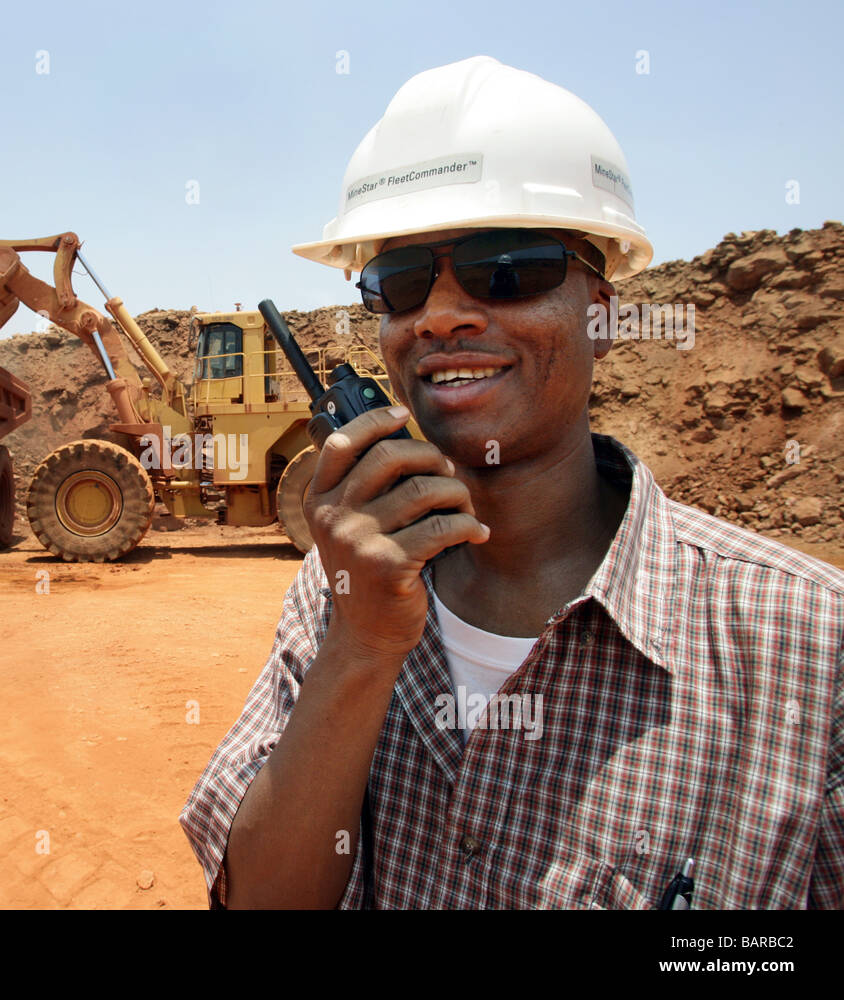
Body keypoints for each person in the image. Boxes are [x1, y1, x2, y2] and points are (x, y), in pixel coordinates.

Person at [178, 55, 844, 909]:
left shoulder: (810, 653)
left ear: (601, 314)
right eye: (402, 282)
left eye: (509, 268)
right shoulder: (336, 595)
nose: (440, 314)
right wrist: (361, 646)